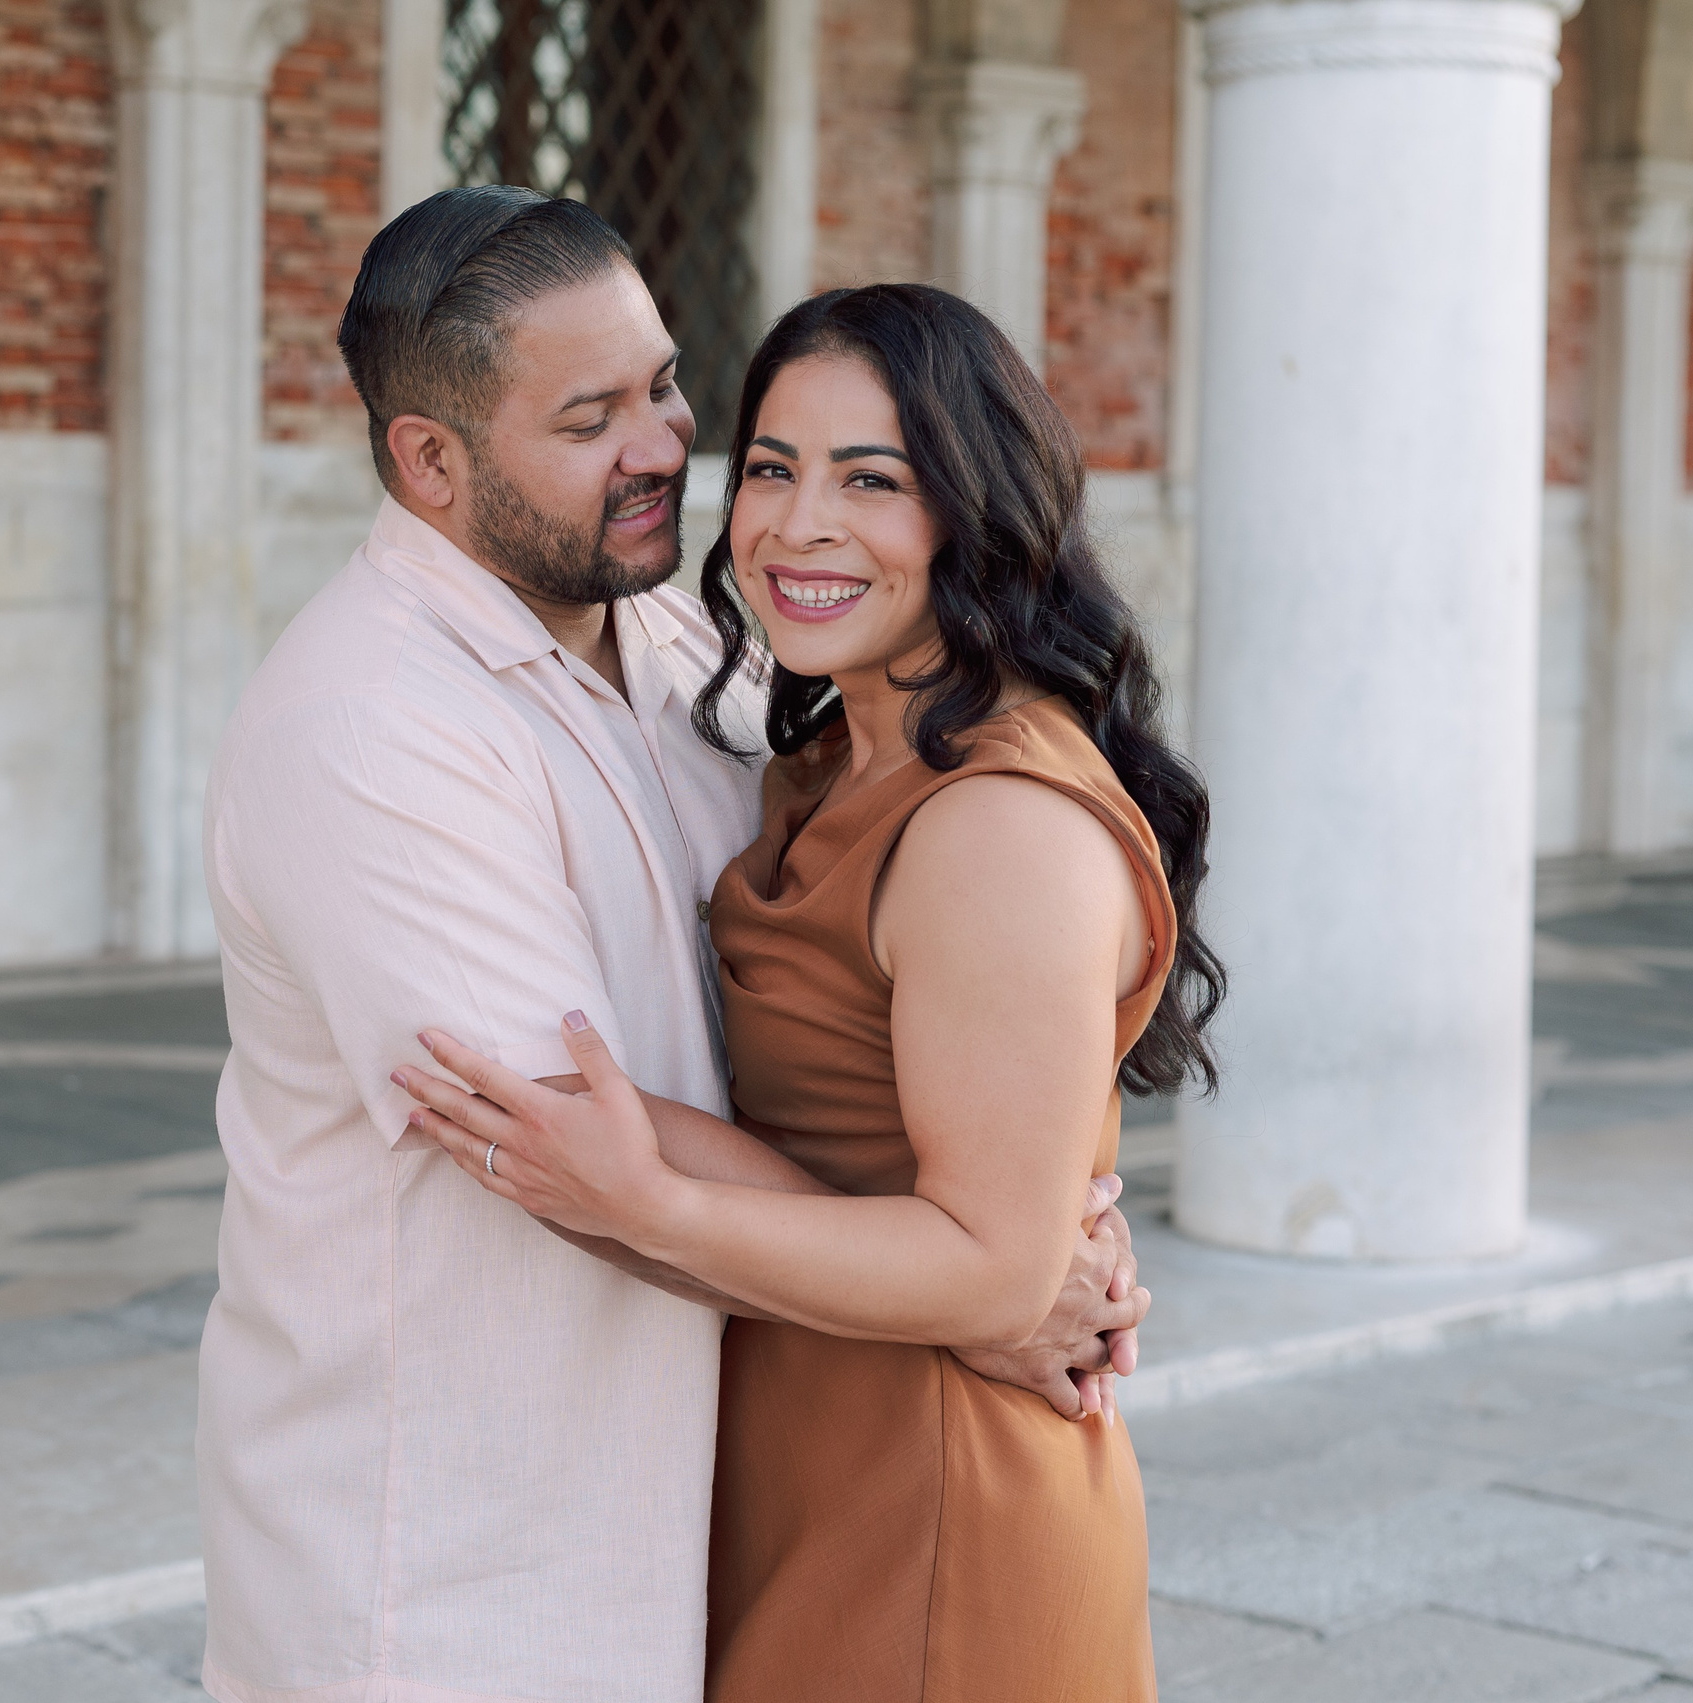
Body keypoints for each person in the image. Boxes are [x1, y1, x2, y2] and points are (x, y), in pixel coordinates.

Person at [197, 191, 1151, 1703]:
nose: (660, 448)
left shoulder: (690, 645)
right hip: (460, 1550)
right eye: (590, 420)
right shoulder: (370, 725)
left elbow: (904, 999)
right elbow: (558, 1145)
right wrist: (995, 1279)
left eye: (664, 387)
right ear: (429, 461)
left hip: (767, 1477)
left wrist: (1002, 1231)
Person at [391, 283, 1223, 1700]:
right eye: (773, 469)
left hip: (940, 1506)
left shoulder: (995, 827)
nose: (798, 524)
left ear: (976, 511)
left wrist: (650, 1202)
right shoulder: (837, 759)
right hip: (816, 1461)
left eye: (872, 481)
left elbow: (994, 1270)